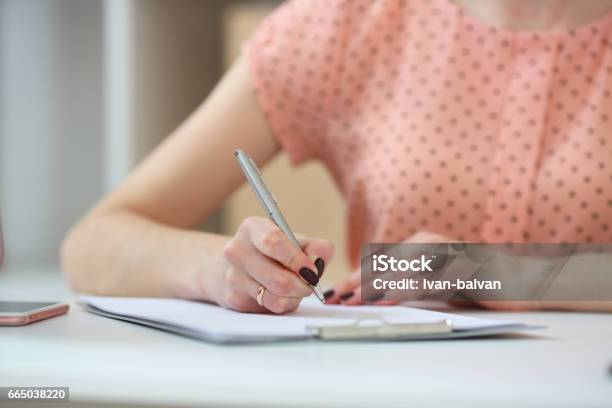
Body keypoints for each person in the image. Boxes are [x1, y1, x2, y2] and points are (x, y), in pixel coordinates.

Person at [62, 0, 612, 313]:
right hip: (384, 388)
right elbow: (95, 241)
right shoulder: (345, 24)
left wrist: (500, 275)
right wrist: (222, 271)